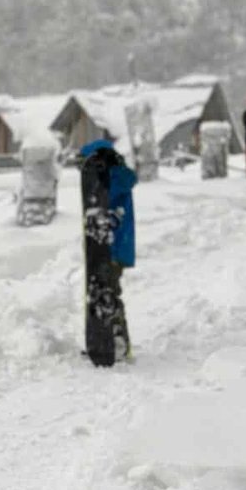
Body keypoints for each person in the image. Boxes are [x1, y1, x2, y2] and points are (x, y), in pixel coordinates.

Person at [78, 136, 136, 366]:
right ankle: (112, 340)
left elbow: (105, 210)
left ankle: (117, 343)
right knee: (107, 291)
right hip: (112, 246)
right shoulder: (116, 177)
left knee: (108, 293)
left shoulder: (114, 179)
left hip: (113, 247)